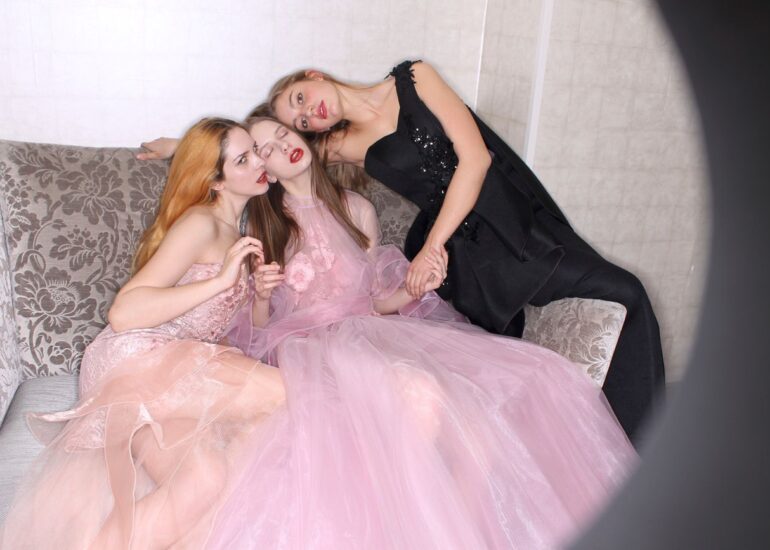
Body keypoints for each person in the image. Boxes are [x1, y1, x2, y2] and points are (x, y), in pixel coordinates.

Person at [138, 60, 665, 445]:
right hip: (461, 250)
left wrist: (429, 251)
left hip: (500, 216)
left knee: (621, 293)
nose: (305, 116)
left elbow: (476, 160)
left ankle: (642, 440)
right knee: (492, 359)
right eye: (300, 122)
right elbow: (260, 152)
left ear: (313, 75)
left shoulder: (413, 78)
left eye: (299, 100)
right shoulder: (335, 147)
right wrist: (186, 149)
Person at [205, 117, 636, 550]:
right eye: (267, 149)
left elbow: (376, 301)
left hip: (370, 329)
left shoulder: (357, 208)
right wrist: (262, 295)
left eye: (283, 134)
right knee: (419, 394)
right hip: (311, 345)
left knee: (483, 415)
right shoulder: (265, 225)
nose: (283, 147)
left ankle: (458, 532)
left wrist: (418, 287)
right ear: (263, 170)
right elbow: (258, 327)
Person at [0, 118, 286, 549]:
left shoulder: (237, 235)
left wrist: (259, 295)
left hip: (172, 367)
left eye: (256, 153)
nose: (260, 163)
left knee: (205, 479)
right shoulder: (201, 224)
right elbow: (124, 312)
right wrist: (219, 281)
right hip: (138, 357)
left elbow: (239, 335)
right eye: (243, 159)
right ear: (216, 182)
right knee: (291, 394)